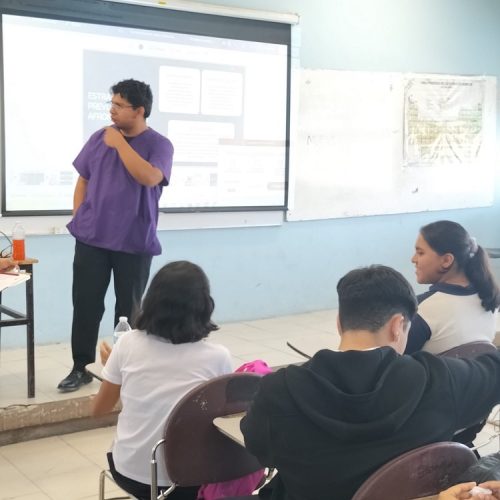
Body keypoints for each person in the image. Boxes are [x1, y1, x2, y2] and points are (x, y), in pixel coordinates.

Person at [241, 265, 500, 500]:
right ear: (398, 325)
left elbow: (258, 448)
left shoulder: (278, 392)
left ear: (339, 323)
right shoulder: (442, 380)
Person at [58, 79, 174, 392]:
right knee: (86, 305)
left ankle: (123, 371)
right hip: (91, 238)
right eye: (112, 103)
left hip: (134, 242)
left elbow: (150, 177)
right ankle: (80, 367)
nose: (112, 110)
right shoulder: (99, 138)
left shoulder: (159, 144)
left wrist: (121, 144)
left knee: (128, 312)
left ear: (140, 110)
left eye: (120, 105)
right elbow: (83, 179)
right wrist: (79, 217)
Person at [92, 260, 233, 500]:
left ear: (151, 301)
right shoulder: (218, 357)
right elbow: (222, 420)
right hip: (191, 480)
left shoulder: (127, 344)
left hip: (131, 474)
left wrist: (114, 371)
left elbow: (98, 410)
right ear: (204, 306)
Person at [405, 220, 500, 355]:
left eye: (420, 253)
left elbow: (394, 360)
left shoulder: (420, 310)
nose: (413, 259)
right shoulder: (489, 297)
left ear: (446, 260)